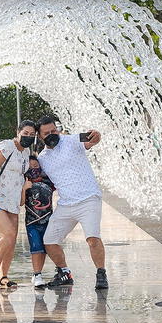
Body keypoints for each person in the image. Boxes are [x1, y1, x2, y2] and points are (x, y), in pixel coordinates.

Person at [35, 116, 108, 289]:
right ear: (40, 136)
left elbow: (92, 138)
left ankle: (101, 273)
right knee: (50, 241)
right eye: (47, 133)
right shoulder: (43, 158)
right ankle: (64, 273)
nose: (52, 134)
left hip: (89, 199)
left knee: (92, 238)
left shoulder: (72, 140)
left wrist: (96, 135)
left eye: (54, 130)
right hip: (66, 204)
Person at [0, 120, 36, 289]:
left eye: (32, 135)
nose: (28, 136)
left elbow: (20, 177)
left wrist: (24, 192)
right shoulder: (6, 146)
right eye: (25, 133)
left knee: (11, 240)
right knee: (9, 234)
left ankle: (4, 276)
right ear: (17, 132)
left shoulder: (26, 152)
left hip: (12, 201)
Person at [21, 156, 55, 288]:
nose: (33, 170)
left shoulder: (49, 181)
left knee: (45, 248)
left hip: (48, 221)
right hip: (32, 222)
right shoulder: (24, 182)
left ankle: (40, 273)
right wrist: (24, 188)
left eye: (36, 167)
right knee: (36, 248)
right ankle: (37, 274)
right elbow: (21, 202)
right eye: (30, 168)